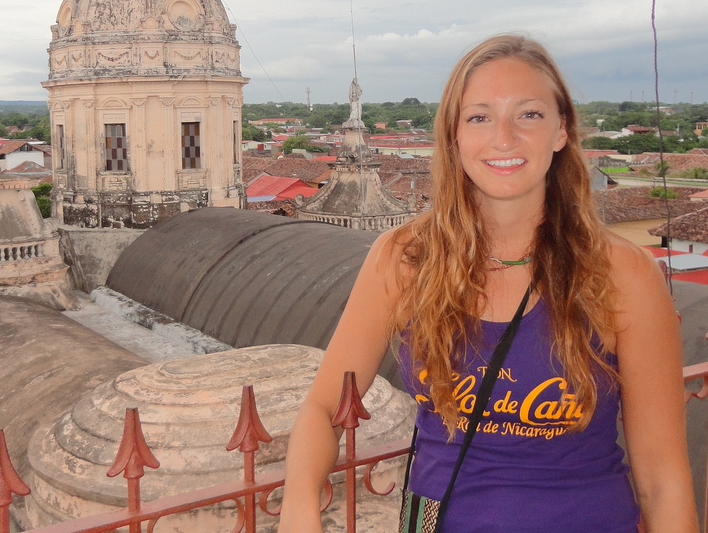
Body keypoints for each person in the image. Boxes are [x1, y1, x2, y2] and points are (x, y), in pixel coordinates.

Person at [279, 35, 696, 533]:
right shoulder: (405, 258)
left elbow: (662, 479)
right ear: (454, 135)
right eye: (479, 117)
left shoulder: (622, 274)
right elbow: (325, 405)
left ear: (561, 130)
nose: (503, 137)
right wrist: (299, 509)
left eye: (529, 115)